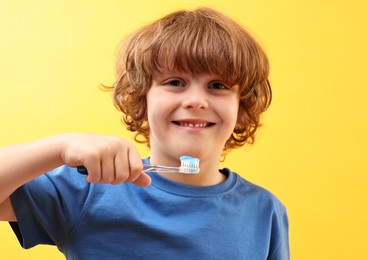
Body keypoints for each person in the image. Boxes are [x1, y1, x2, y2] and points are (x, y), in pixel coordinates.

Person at [0, 7, 289, 259]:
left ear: (242, 105)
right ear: (141, 97)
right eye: (175, 82)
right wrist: (60, 147)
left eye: (218, 86)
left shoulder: (265, 211)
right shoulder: (90, 188)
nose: (196, 100)